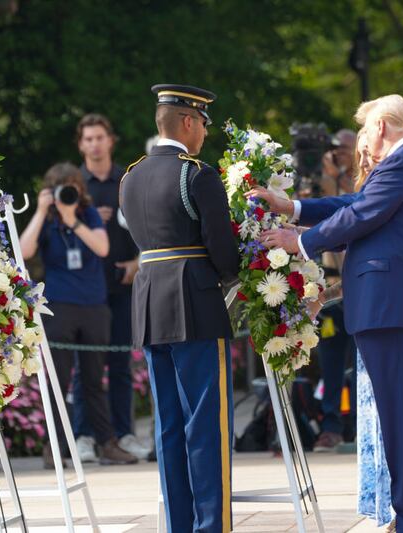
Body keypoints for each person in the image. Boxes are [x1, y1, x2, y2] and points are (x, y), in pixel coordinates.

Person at [254, 94, 403, 532]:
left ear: (381, 126)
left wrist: (298, 242)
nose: (363, 141)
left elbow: (361, 213)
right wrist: (295, 209)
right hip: (397, 304)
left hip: (393, 305)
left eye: (365, 130)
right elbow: (352, 206)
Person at [120, 84, 239, 533]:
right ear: (188, 121)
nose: (205, 133)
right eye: (203, 124)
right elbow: (223, 253)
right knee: (206, 424)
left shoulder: (131, 176)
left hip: (150, 303)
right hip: (195, 303)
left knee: (168, 426)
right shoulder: (198, 175)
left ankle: (180, 525)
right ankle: (212, 526)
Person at [20, 162, 137, 468]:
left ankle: (106, 443)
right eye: (61, 189)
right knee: (57, 380)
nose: (67, 194)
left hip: (94, 306)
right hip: (59, 307)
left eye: (72, 188)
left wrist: (73, 220)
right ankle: (54, 447)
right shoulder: (46, 220)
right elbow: (24, 251)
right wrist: (41, 211)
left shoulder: (89, 214)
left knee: (94, 380)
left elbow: (102, 247)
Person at [69, 113, 148, 463]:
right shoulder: (74, 186)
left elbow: (150, 226)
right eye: (88, 139)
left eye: (100, 137)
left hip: (122, 285)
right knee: (83, 366)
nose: (94, 144)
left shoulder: (128, 180)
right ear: (81, 144)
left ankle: (123, 434)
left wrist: (139, 262)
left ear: (110, 141)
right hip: (84, 290)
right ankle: (83, 436)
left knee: (119, 365)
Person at [313, 129, 358, 452]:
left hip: (357, 290)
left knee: (360, 363)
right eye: (335, 150)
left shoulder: (366, 181)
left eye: (344, 149)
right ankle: (331, 424)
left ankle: (357, 422)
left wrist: (340, 178)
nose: (338, 154)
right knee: (330, 362)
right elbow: (321, 209)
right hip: (330, 290)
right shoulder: (325, 182)